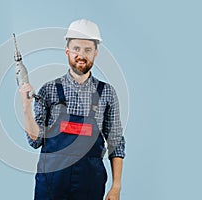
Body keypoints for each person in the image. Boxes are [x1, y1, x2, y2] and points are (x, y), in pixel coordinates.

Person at [19, 19, 126, 200]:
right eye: (76, 49)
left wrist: (116, 187)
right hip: (51, 185)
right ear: (67, 51)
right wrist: (26, 107)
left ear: (96, 53)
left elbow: (116, 143)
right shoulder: (49, 90)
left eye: (87, 50)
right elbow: (35, 141)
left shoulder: (106, 93)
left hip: (89, 185)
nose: (81, 55)